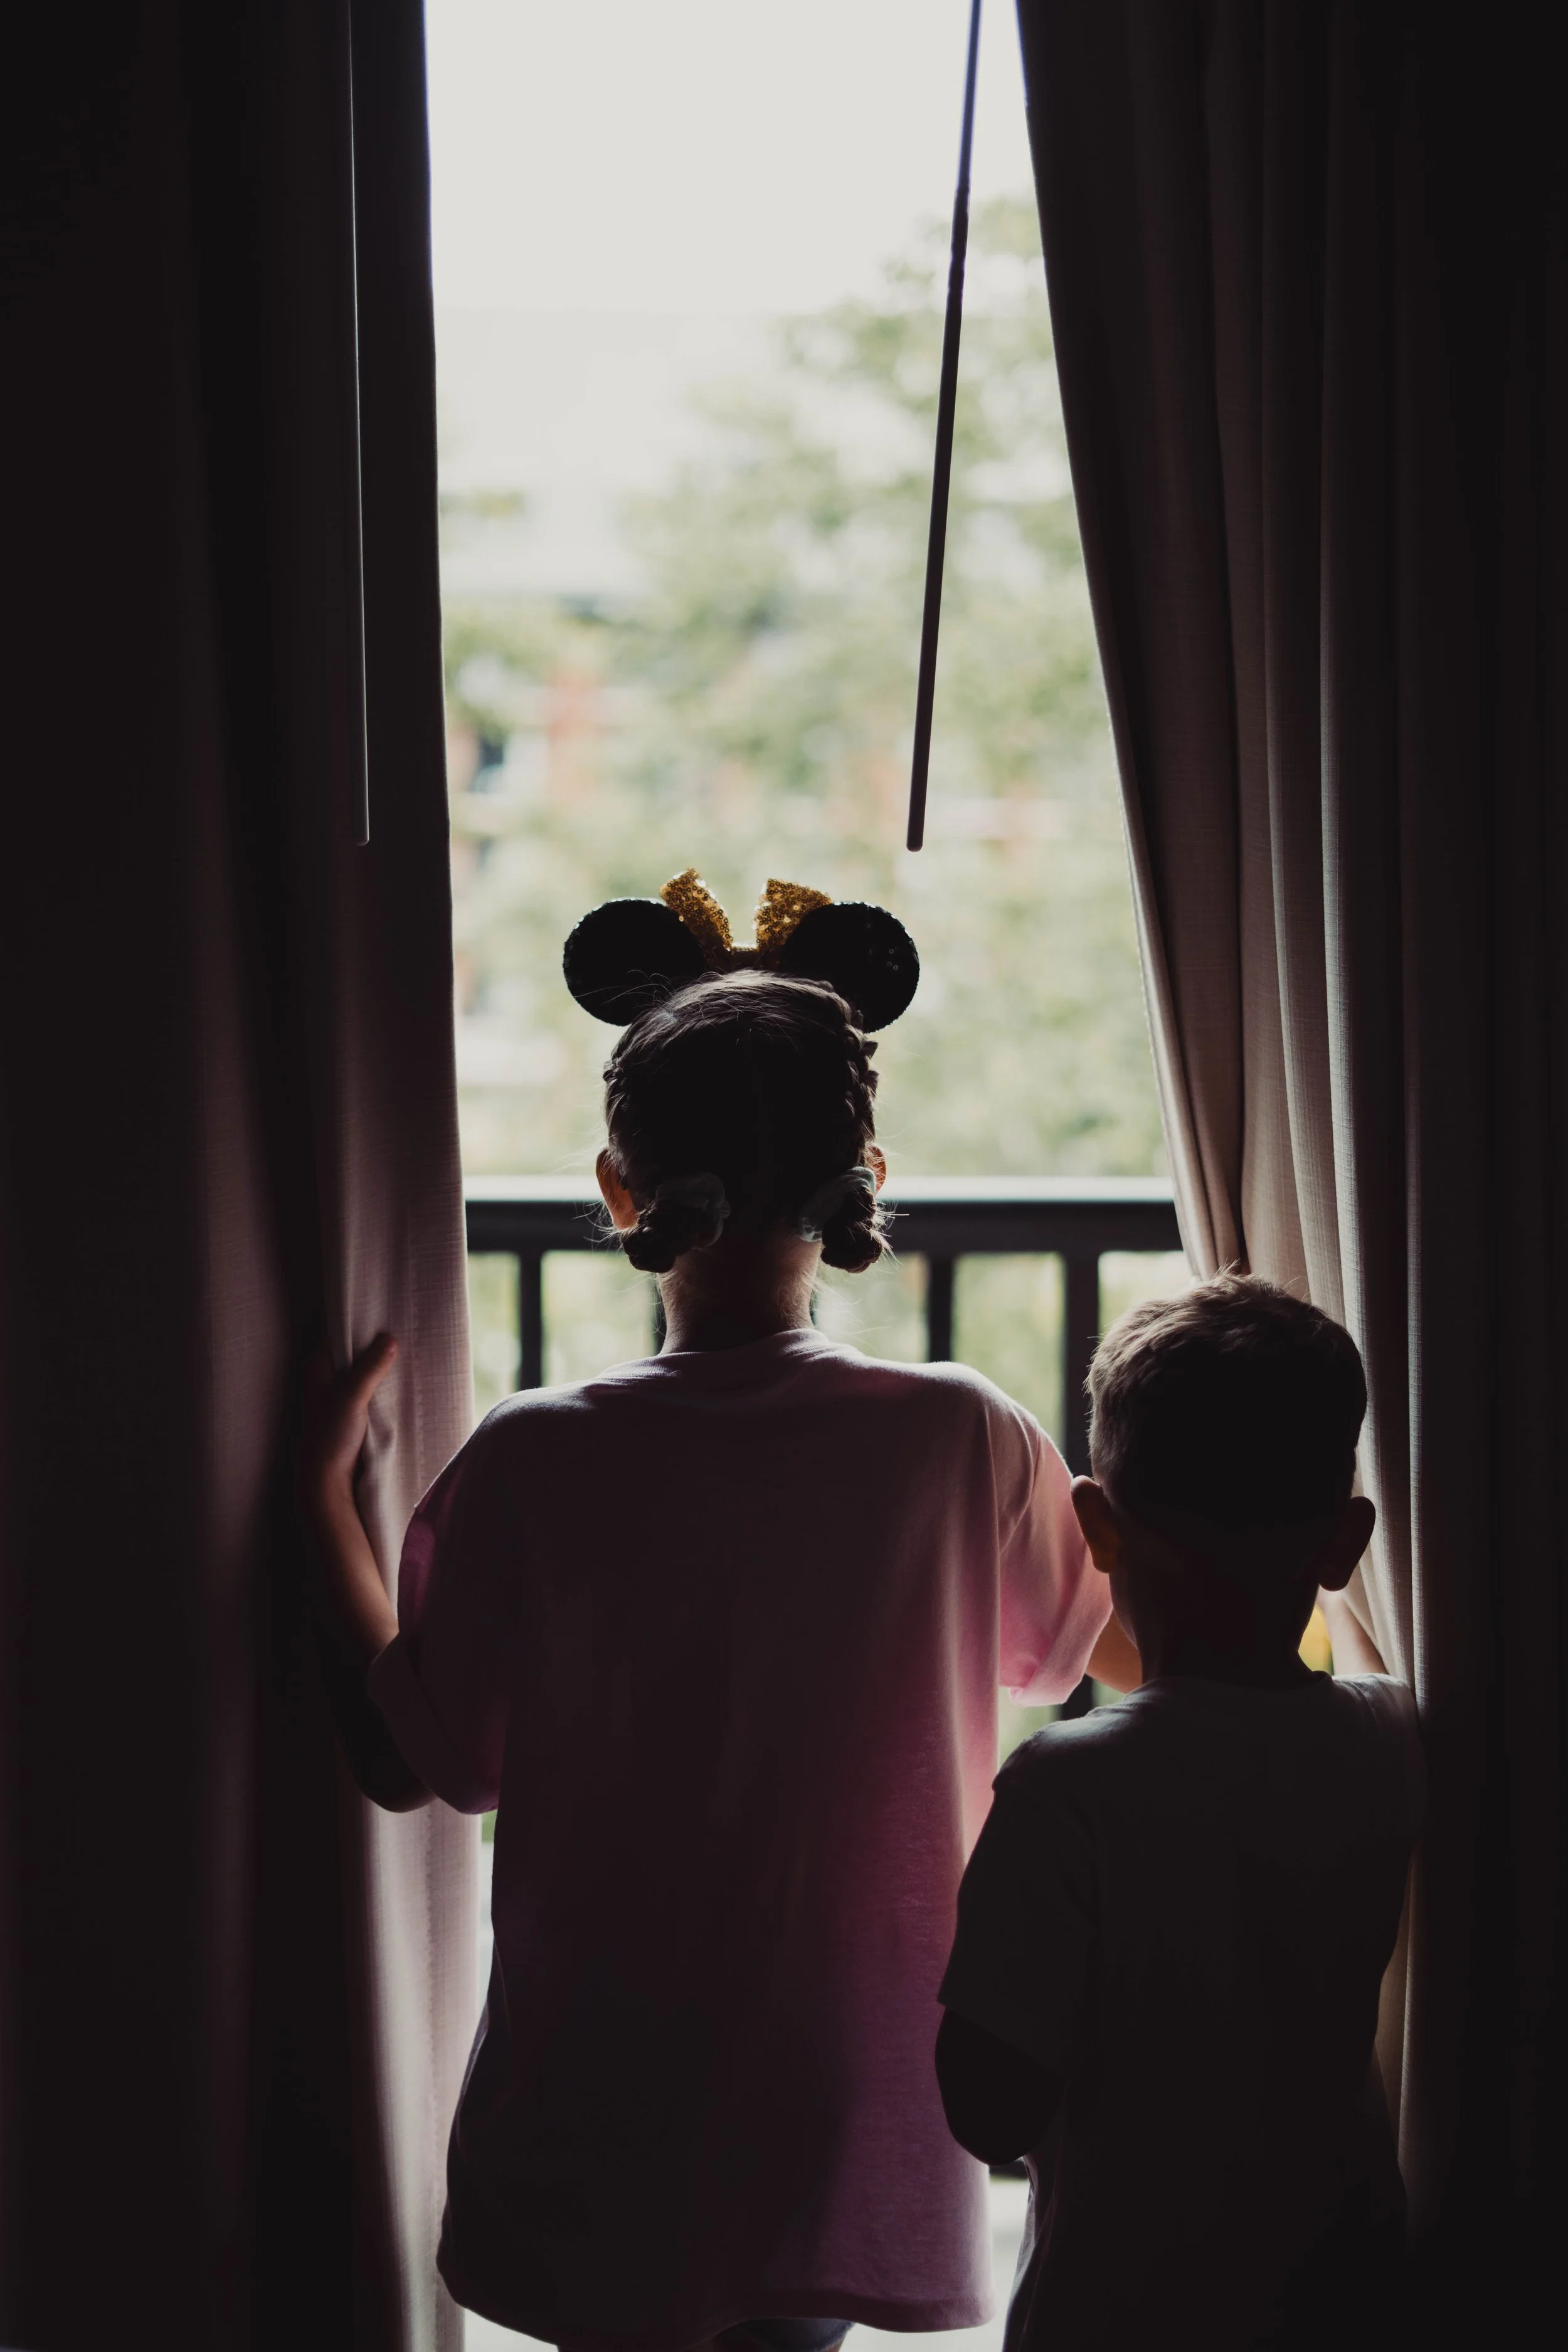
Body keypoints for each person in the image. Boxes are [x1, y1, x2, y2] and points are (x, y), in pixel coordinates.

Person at [303, 877, 1136, 2352]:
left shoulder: (535, 1452)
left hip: (593, 2071)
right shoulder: (958, 1434)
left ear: (621, 1191)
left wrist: (314, 1501)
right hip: (844, 2073)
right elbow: (1118, 1650)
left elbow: (407, 1759)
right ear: (867, 1175)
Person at [936, 1275, 1425, 2352]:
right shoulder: (1393, 1740)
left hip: (1115, 2310)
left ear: (1097, 1526)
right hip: (1345, 2297)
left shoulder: (1068, 1789)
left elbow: (987, 2108)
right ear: (1345, 1543)